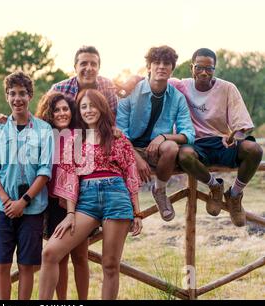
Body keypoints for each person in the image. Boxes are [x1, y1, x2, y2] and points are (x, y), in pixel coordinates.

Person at [39, 89, 142, 300]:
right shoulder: (74, 140)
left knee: (110, 265)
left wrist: (137, 212)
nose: (88, 110)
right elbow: (69, 178)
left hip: (117, 196)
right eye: (84, 106)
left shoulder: (117, 137)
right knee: (50, 253)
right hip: (86, 201)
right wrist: (69, 213)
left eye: (93, 105)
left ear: (102, 107)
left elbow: (130, 173)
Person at [0, 71, 53, 300]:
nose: (17, 99)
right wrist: (6, 201)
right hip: (3, 206)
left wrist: (23, 202)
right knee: (2, 262)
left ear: (30, 95)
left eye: (22, 93)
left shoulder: (44, 130)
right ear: (6, 97)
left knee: (26, 265)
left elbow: (44, 170)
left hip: (32, 207)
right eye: (12, 94)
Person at [174, 48, 263, 226]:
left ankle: (235, 194)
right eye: (199, 67)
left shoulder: (228, 88)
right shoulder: (180, 86)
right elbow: (154, 81)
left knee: (254, 150)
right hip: (195, 143)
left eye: (209, 68)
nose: (204, 73)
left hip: (222, 141)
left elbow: (242, 126)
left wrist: (234, 137)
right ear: (192, 67)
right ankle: (215, 186)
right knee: (183, 155)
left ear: (215, 69)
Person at [116, 46, 195, 222]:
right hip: (128, 148)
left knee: (171, 147)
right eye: (156, 62)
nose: (161, 66)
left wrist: (164, 137)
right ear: (149, 67)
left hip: (156, 150)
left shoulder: (177, 97)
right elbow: (120, 133)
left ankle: (159, 190)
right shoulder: (131, 91)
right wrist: (136, 158)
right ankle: (125, 209)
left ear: (172, 69)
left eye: (166, 63)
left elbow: (188, 133)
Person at [35, 92, 89, 300]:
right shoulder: (45, 135)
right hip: (52, 201)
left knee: (80, 256)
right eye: (56, 109)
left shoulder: (79, 135)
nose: (61, 113)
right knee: (59, 257)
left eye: (65, 108)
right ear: (49, 113)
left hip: (76, 201)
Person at [49, 45, 142, 116]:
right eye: (84, 64)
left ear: (99, 68)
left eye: (93, 64)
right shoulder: (59, 89)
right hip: (67, 136)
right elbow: (46, 118)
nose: (89, 68)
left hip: (98, 135)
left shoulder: (106, 85)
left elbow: (113, 117)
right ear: (75, 67)